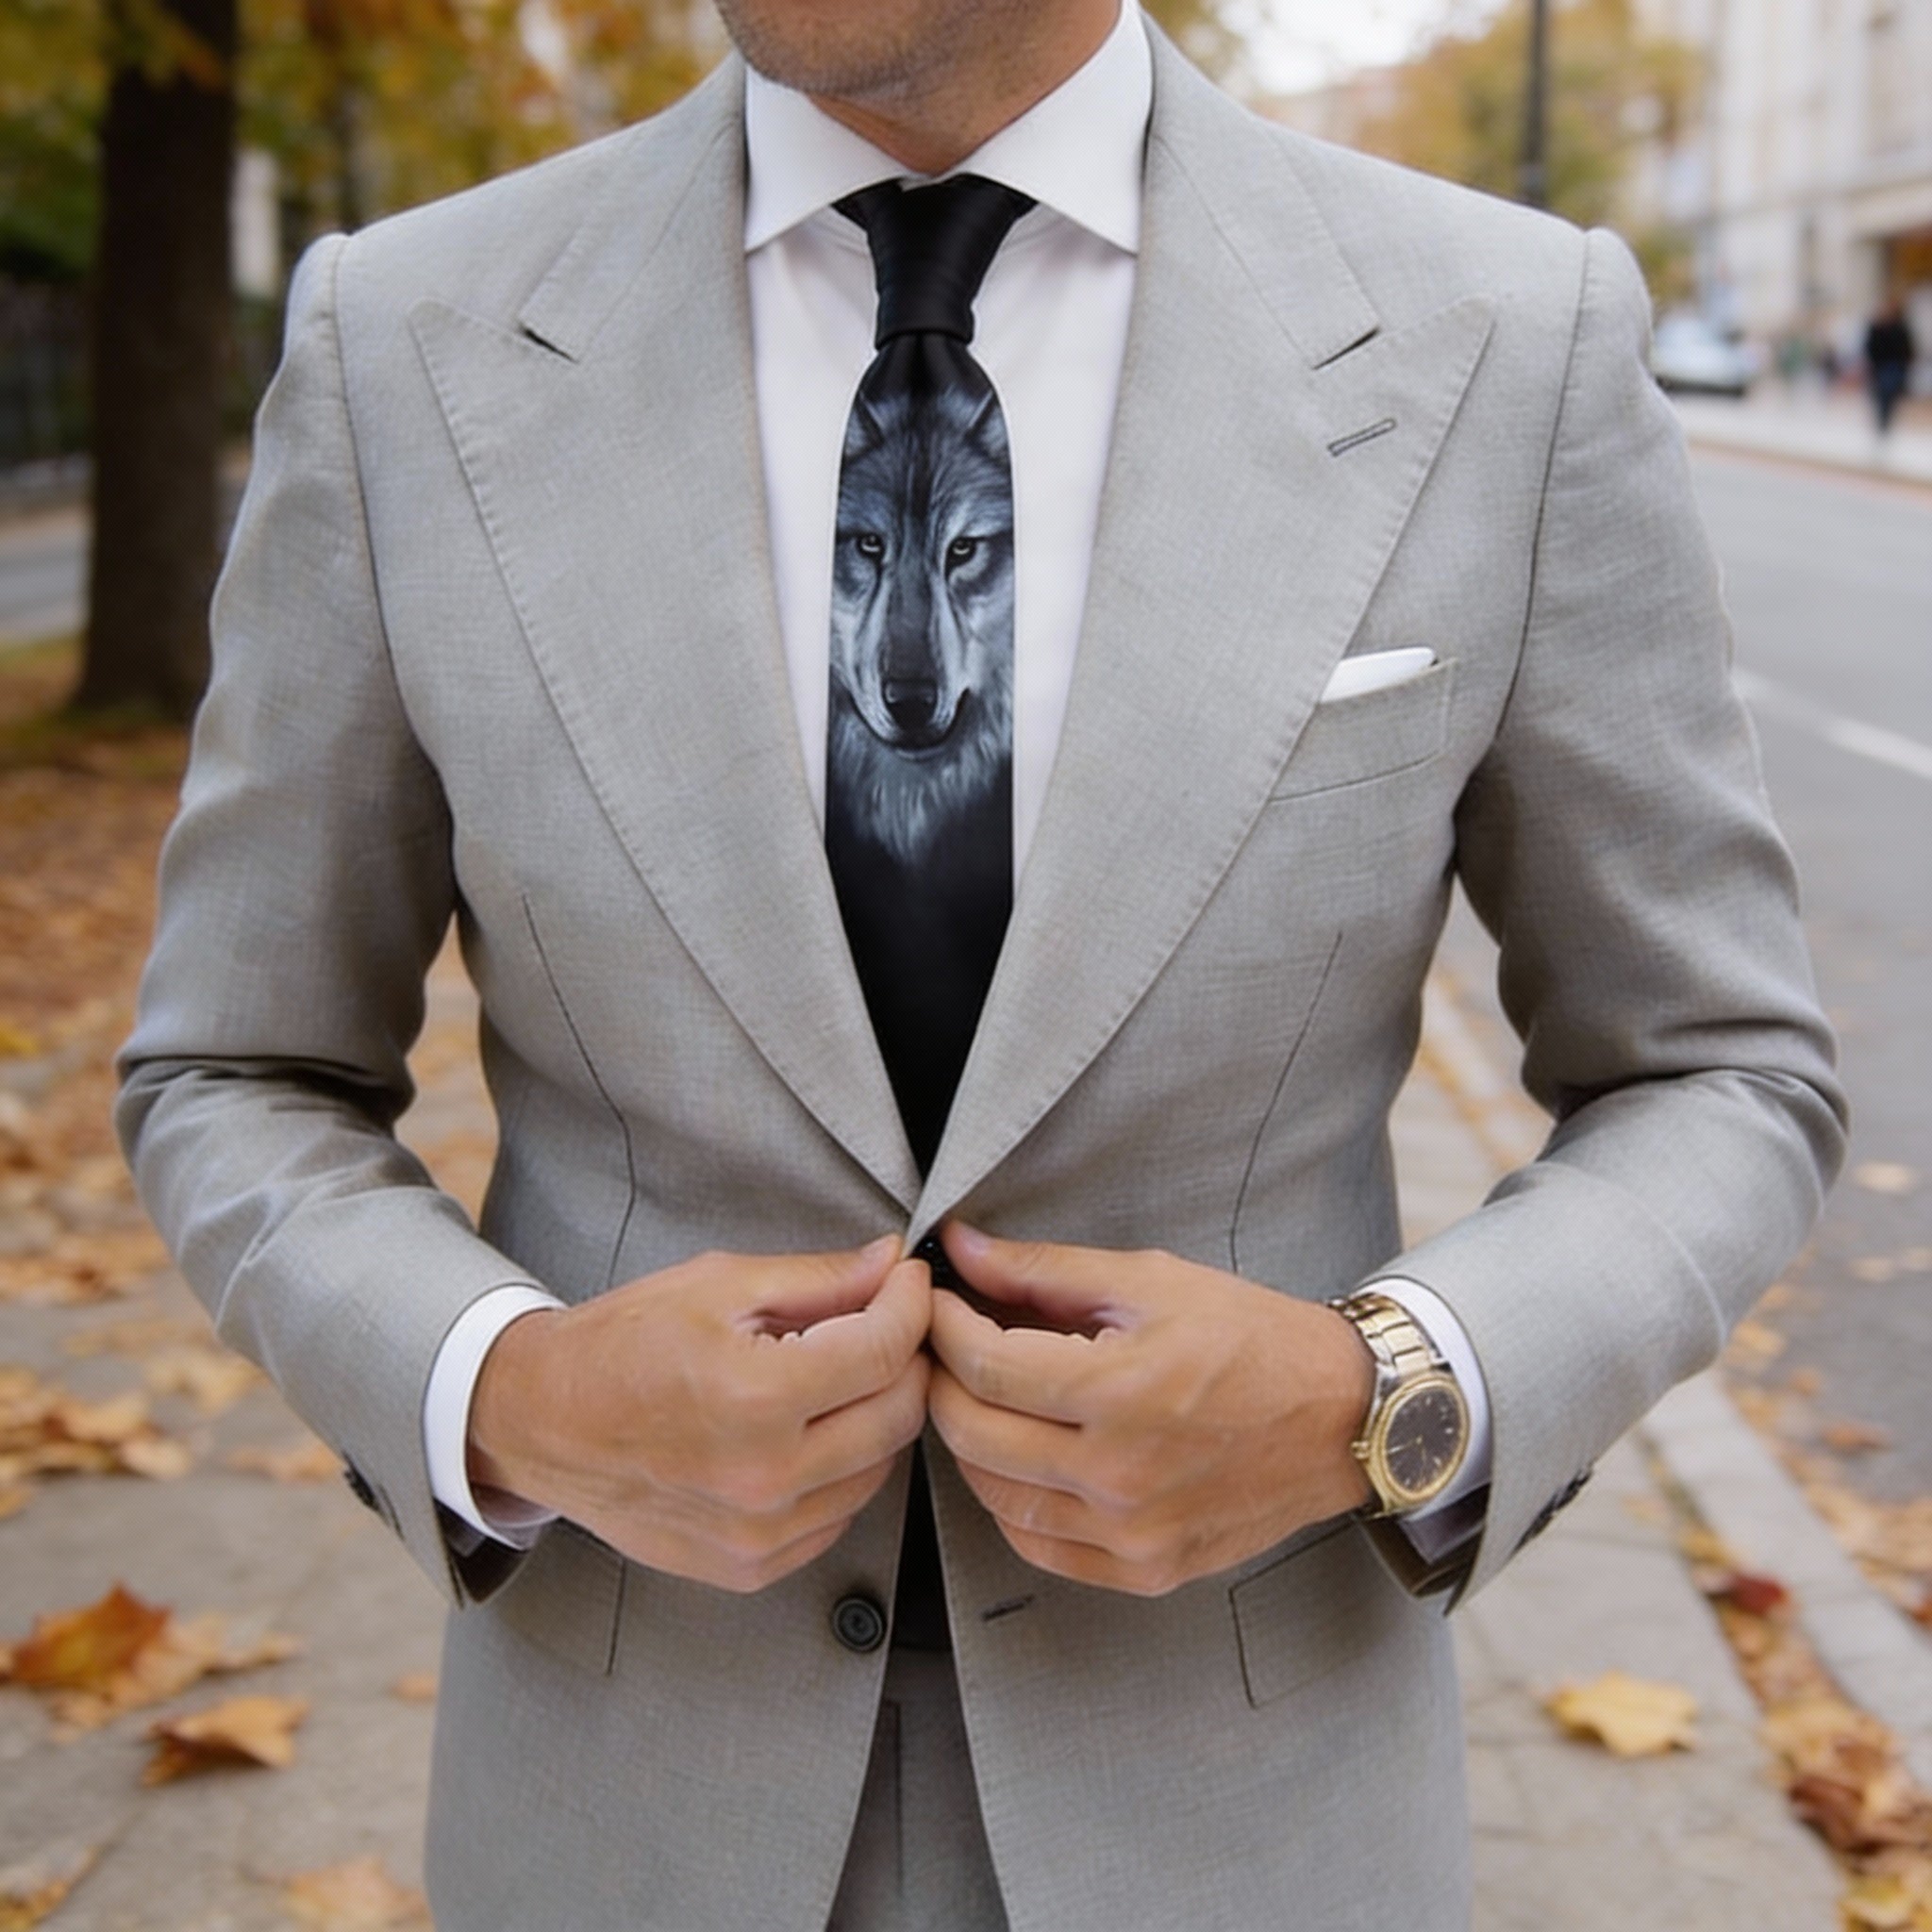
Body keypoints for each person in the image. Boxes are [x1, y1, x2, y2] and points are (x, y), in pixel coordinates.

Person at [118, 2, 1845, 1926]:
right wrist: (503, 1392)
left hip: (1248, 1813)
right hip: (627, 1811)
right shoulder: (403, 343)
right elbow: (235, 1064)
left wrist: (1385, 1396)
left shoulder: (1505, 339)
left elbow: (1718, 1067)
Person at [1865, 295, 1917, 436]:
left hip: (1895, 366)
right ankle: (1882, 423)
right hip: (1881, 366)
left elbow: (1908, 348)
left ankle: (1885, 422)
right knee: (1882, 394)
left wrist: (1906, 363)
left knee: (1890, 394)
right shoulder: (1877, 327)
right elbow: (1870, 347)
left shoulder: (1901, 327)